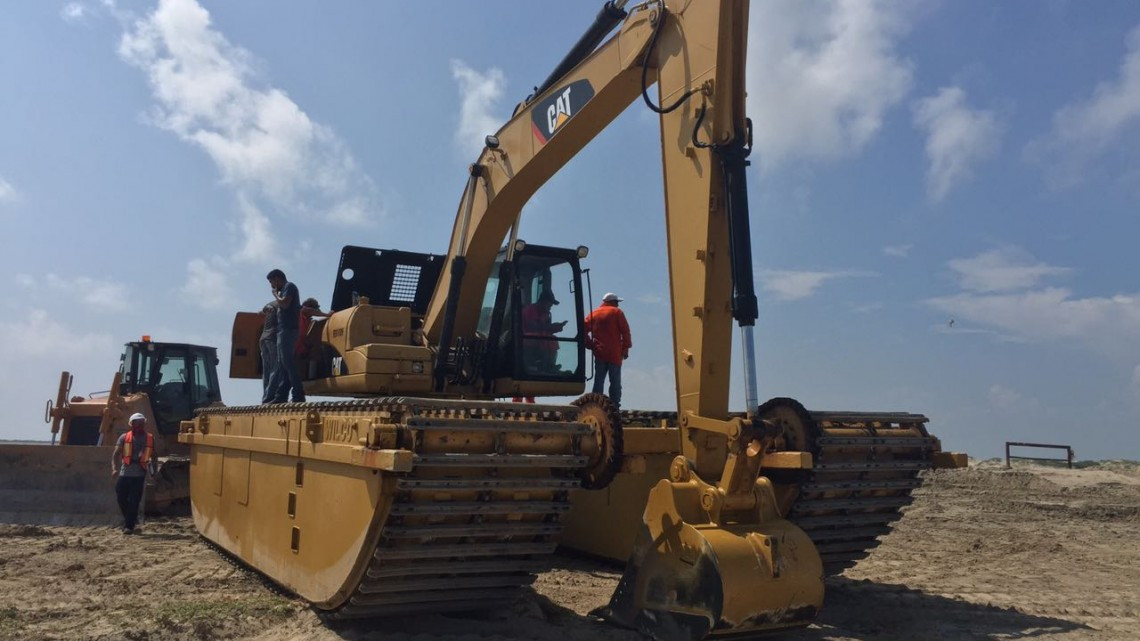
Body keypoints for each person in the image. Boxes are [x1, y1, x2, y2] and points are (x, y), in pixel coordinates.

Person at [111, 412, 156, 534]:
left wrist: (153, 472)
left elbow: (154, 456)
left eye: (141, 423)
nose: (139, 426)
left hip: (139, 474)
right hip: (124, 473)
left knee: (135, 500)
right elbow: (116, 454)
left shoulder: (149, 438)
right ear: (131, 424)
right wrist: (114, 468)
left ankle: (129, 526)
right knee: (121, 497)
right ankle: (130, 518)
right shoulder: (124, 437)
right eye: (136, 423)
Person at [584, 292, 632, 406]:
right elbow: (626, 332)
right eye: (617, 302)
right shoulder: (617, 312)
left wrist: (590, 345)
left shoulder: (593, 314)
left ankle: (595, 403)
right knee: (615, 381)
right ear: (612, 302)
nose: (618, 305)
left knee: (599, 380)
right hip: (615, 353)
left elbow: (582, 331)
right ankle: (614, 405)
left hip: (600, 352)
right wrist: (625, 349)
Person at [265, 269, 305, 403]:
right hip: (284, 330)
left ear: (278, 278)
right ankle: (280, 396)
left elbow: (285, 304)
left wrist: (276, 295)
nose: (271, 285)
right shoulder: (285, 289)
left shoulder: (289, 287)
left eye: (272, 282)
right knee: (283, 365)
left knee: (288, 363)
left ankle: (298, 395)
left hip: (288, 330)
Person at [521, 290, 566, 375]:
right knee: (541, 338)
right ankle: (543, 365)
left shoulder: (545, 314)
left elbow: (545, 330)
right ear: (543, 302)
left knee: (552, 339)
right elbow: (533, 327)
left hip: (537, 338)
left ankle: (550, 365)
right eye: (549, 304)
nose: (550, 306)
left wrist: (556, 328)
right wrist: (551, 327)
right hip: (525, 338)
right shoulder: (529, 310)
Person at [259, 301, 279, 403]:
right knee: (275, 368)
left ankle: (266, 397)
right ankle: (270, 397)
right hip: (273, 338)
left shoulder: (269, 304)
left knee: (266, 371)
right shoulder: (284, 303)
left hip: (264, 338)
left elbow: (260, 313)